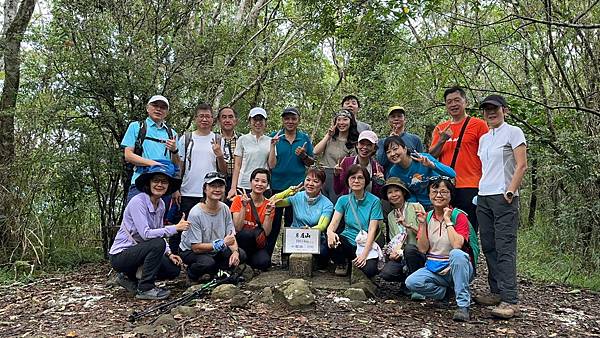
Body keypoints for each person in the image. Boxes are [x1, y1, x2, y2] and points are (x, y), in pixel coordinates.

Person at [475, 95, 528, 319]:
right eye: (486, 110)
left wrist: (510, 190)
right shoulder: (485, 138)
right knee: (488, 245)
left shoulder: (513, 132)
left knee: (505, 246)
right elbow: (485, 168)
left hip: (503, 196)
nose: (490, 113)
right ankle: (496, 291)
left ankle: (511, 300)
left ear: (504, 110)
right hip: (484, 196)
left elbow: (521, 165)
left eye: (494, 109)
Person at [109, 160, 190, 300]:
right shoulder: (138, 201)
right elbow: (146, 234)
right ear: (149, 183)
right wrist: (175, 228)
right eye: (156, 181)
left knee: (173, 269)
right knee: (157, 243)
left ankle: (129, 278)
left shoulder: (161, 205)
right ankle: (145, 288)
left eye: (164, 182)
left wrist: (169, 253)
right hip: (121, 255)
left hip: (141, 252)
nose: (159, 185)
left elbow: (158, 230)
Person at [405, 178, 475, 322]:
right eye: (434, 191)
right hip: (435, 269)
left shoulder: (459, 216)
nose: (438, 195)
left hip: (458, 267)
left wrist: (448, 221)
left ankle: (463, 306)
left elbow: (457, 245)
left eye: (444, 191)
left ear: (450, 195)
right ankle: (445, 293)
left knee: (457, 254)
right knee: (412, 282)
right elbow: (423, 249)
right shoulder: (428, 216)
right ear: (429, 195)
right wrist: (423, 225)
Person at [170, 103, 227, 253]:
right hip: (188, 190)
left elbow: (224, 170)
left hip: (212, 192)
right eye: (201, 116)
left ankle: (207, 256)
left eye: (207, 116)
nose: (204, 119)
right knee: (183, 225)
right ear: (196, 118)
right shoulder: (186, 138)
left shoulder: (218, 139)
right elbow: (178, 165)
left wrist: (219, 154)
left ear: (213, 119)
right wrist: (176, 188)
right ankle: (177, 256)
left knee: (211, 226)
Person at [429, 86, 488, 230]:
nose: (453, 104)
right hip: (445, 187)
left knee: (469, 228)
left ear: (465, 102)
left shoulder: (479, 125)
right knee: (446, 227)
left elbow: (488, 154)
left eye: (457, 100)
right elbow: (432, 156)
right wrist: (442, 139)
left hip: (470, 185)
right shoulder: (441, 128)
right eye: (449, 102)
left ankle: (469, 252)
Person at [179, 172, 246, 283]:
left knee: (241, 254)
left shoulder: (224, 208)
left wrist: (235, 252)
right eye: (213, 186)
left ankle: (216, 272)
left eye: (220, 186)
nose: (217, 189)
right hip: (192, 251)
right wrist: (221, 243)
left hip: (215, 249)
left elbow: (231, 236)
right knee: (207, 263)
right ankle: (192, 273)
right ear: (205, 189)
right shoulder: (196, 213)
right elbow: (196, 247)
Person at [267, 107, 315, 258]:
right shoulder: (274, 137)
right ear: (282, 120)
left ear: (298, 120)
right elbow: (268, 162)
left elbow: (311, 163)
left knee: (292, 222)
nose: (290, 121)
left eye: (293, 118)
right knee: (273, 223)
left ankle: (287, 257)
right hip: (275, 186)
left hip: (297, 188)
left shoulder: (304, 138)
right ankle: (267, 255)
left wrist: (303, 155)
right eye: (287, 118)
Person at [326, 164, 383, 278]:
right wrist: (330, 233)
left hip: (365, 243)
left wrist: (364, 254)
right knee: (332, 240)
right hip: (347, 241)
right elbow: (333, 224)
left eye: (360, 178)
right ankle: (342, 263)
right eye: (353, 178)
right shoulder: (343, 200)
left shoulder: (374, 201)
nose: (356, 181)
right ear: (348, 181)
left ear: (366, 181)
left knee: (370, 271)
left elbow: (372, 230)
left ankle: (355, 261)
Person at [272, 167, 334, 268]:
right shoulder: (297, 196)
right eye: (308, 180)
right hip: (295, 238)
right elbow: (273, 203)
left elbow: (322, 225)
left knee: (323, 254)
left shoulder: (327, 204)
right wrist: (287, 191)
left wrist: (309, 230)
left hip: (315, 239)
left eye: (315, 181)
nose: (310, 184)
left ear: (322, 184)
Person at [121, 95, 179, 202]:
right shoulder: (136, 127)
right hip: (140, 182)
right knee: (136, 216)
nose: (158, 109)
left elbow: (176, 164)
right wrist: (153, 164)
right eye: (155, 105)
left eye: (163, 107)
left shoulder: (172, 134)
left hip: (163, 186)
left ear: (166, 112)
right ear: (148, 108)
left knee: (160, 218)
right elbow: (128, 155)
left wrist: (174, 150)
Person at [378, 177, 426, 300]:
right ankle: (406, 282)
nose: (393, 195)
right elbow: (395, 239)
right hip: (402, 255)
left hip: (419, 251)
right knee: (386, 273)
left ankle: (417, 287)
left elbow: (426, 233)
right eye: (390, 192)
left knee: (410, 249)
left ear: (403, 192)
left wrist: (408, 225)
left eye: (396, 191)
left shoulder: (416, 207)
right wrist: (393, 252)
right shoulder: (390, 216)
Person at [384, 136, 455, 210]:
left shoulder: (422, 158)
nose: (392, 154)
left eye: (395, 149)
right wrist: (414, 206)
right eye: (388, 152)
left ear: (405, 149)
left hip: (439, 201)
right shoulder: (394, 172)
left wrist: (431, 165)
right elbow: (408, 192)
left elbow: (452, 174)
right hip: (420, 206)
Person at [230, 168, 276, 271]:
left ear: (267, 185)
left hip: (256, 244)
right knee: (247, 234)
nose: (259, 184)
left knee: (264, 262)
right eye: (256, 180)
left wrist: (268, 212)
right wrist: (243, 206)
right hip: (240, 240)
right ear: (251, 182)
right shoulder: (239, 199)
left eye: (263, 181)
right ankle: (241, 257)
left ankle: (247, 261)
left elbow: (266, 232)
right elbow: (237, 227)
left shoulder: (269, 204)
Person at [227, 108, 276, 200]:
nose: (258, 122)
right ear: (250, 121)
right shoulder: (242, 139)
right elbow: (237, 165)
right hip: (244, 185)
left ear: (265, 122)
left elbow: (272, 165)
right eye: (255, 119)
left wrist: (273, 146)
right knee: (242, 212)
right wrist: (233, 187)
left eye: (261, 119)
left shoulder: (270, 140)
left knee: (261, 213)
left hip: (263, 185)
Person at [314, 110, 358, 205]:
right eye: (339, 120)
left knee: (335, 207)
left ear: (351, 122)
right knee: (321, 207)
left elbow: (352, 166)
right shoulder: (330, 138)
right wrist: (328, 135)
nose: (341, 123)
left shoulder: (352, 143)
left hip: (338, 178)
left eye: (345, 119)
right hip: (323, 176)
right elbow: (315, 151)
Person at [333, 130, 384, 197]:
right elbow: (337, 190)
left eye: (369, 145)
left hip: (369, 205)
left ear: (374, 148)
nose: (365, 147)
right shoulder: (346, 162)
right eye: (362, 143)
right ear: (357, 145)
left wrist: (380, 183)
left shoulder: (377, 168)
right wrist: (336, 175)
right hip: (348, 204)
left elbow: (379, 196)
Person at [376, 106, 425, 174]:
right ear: (388, 121)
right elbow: (381, 162)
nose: (396, 118)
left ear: (405, 119)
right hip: (392, 180)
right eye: (393, 116)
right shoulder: (382, 142)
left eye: (399, 116)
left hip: (413, 178)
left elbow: (421, 161)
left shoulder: (415, 139)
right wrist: (389, 141)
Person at [217, 106, 239, 200]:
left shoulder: (242, 140)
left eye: (230, 117)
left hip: (237, 182)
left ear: (236, 120)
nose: (227, 120)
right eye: (224, 117)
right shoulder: (213, 138)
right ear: (218, 120)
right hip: (217, 181)